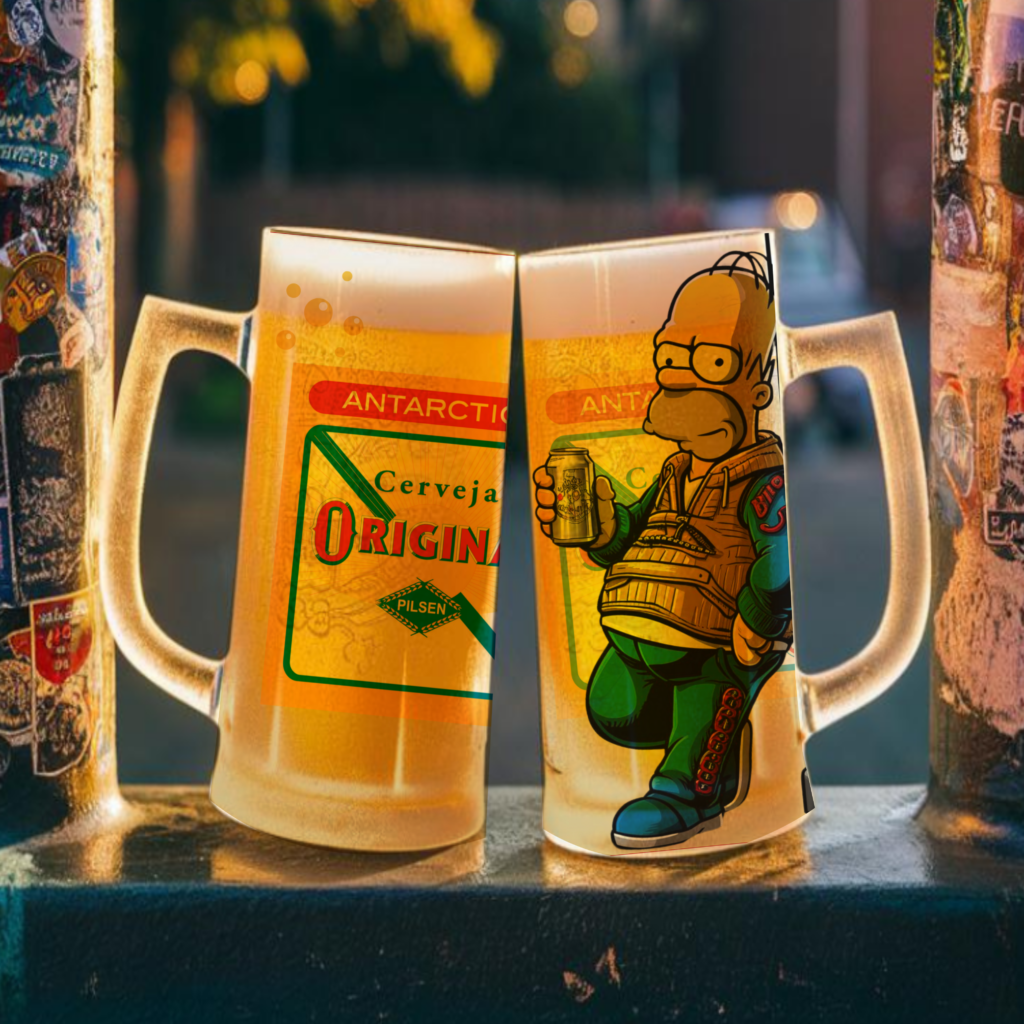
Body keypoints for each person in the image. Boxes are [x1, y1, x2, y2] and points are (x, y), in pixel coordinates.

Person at [534, 246, 793, 849]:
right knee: (612, 709)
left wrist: (758, 618)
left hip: (718, 640)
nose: (684, 375)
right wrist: (605, 526)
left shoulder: (761, 478)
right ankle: (703, 737)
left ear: (760, 387)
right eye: (673, 355)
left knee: (709, 687)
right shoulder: (677, 470)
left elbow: (776, 558)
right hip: (644, 623)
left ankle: (690, 787)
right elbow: (639, 529)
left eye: (713, 360)